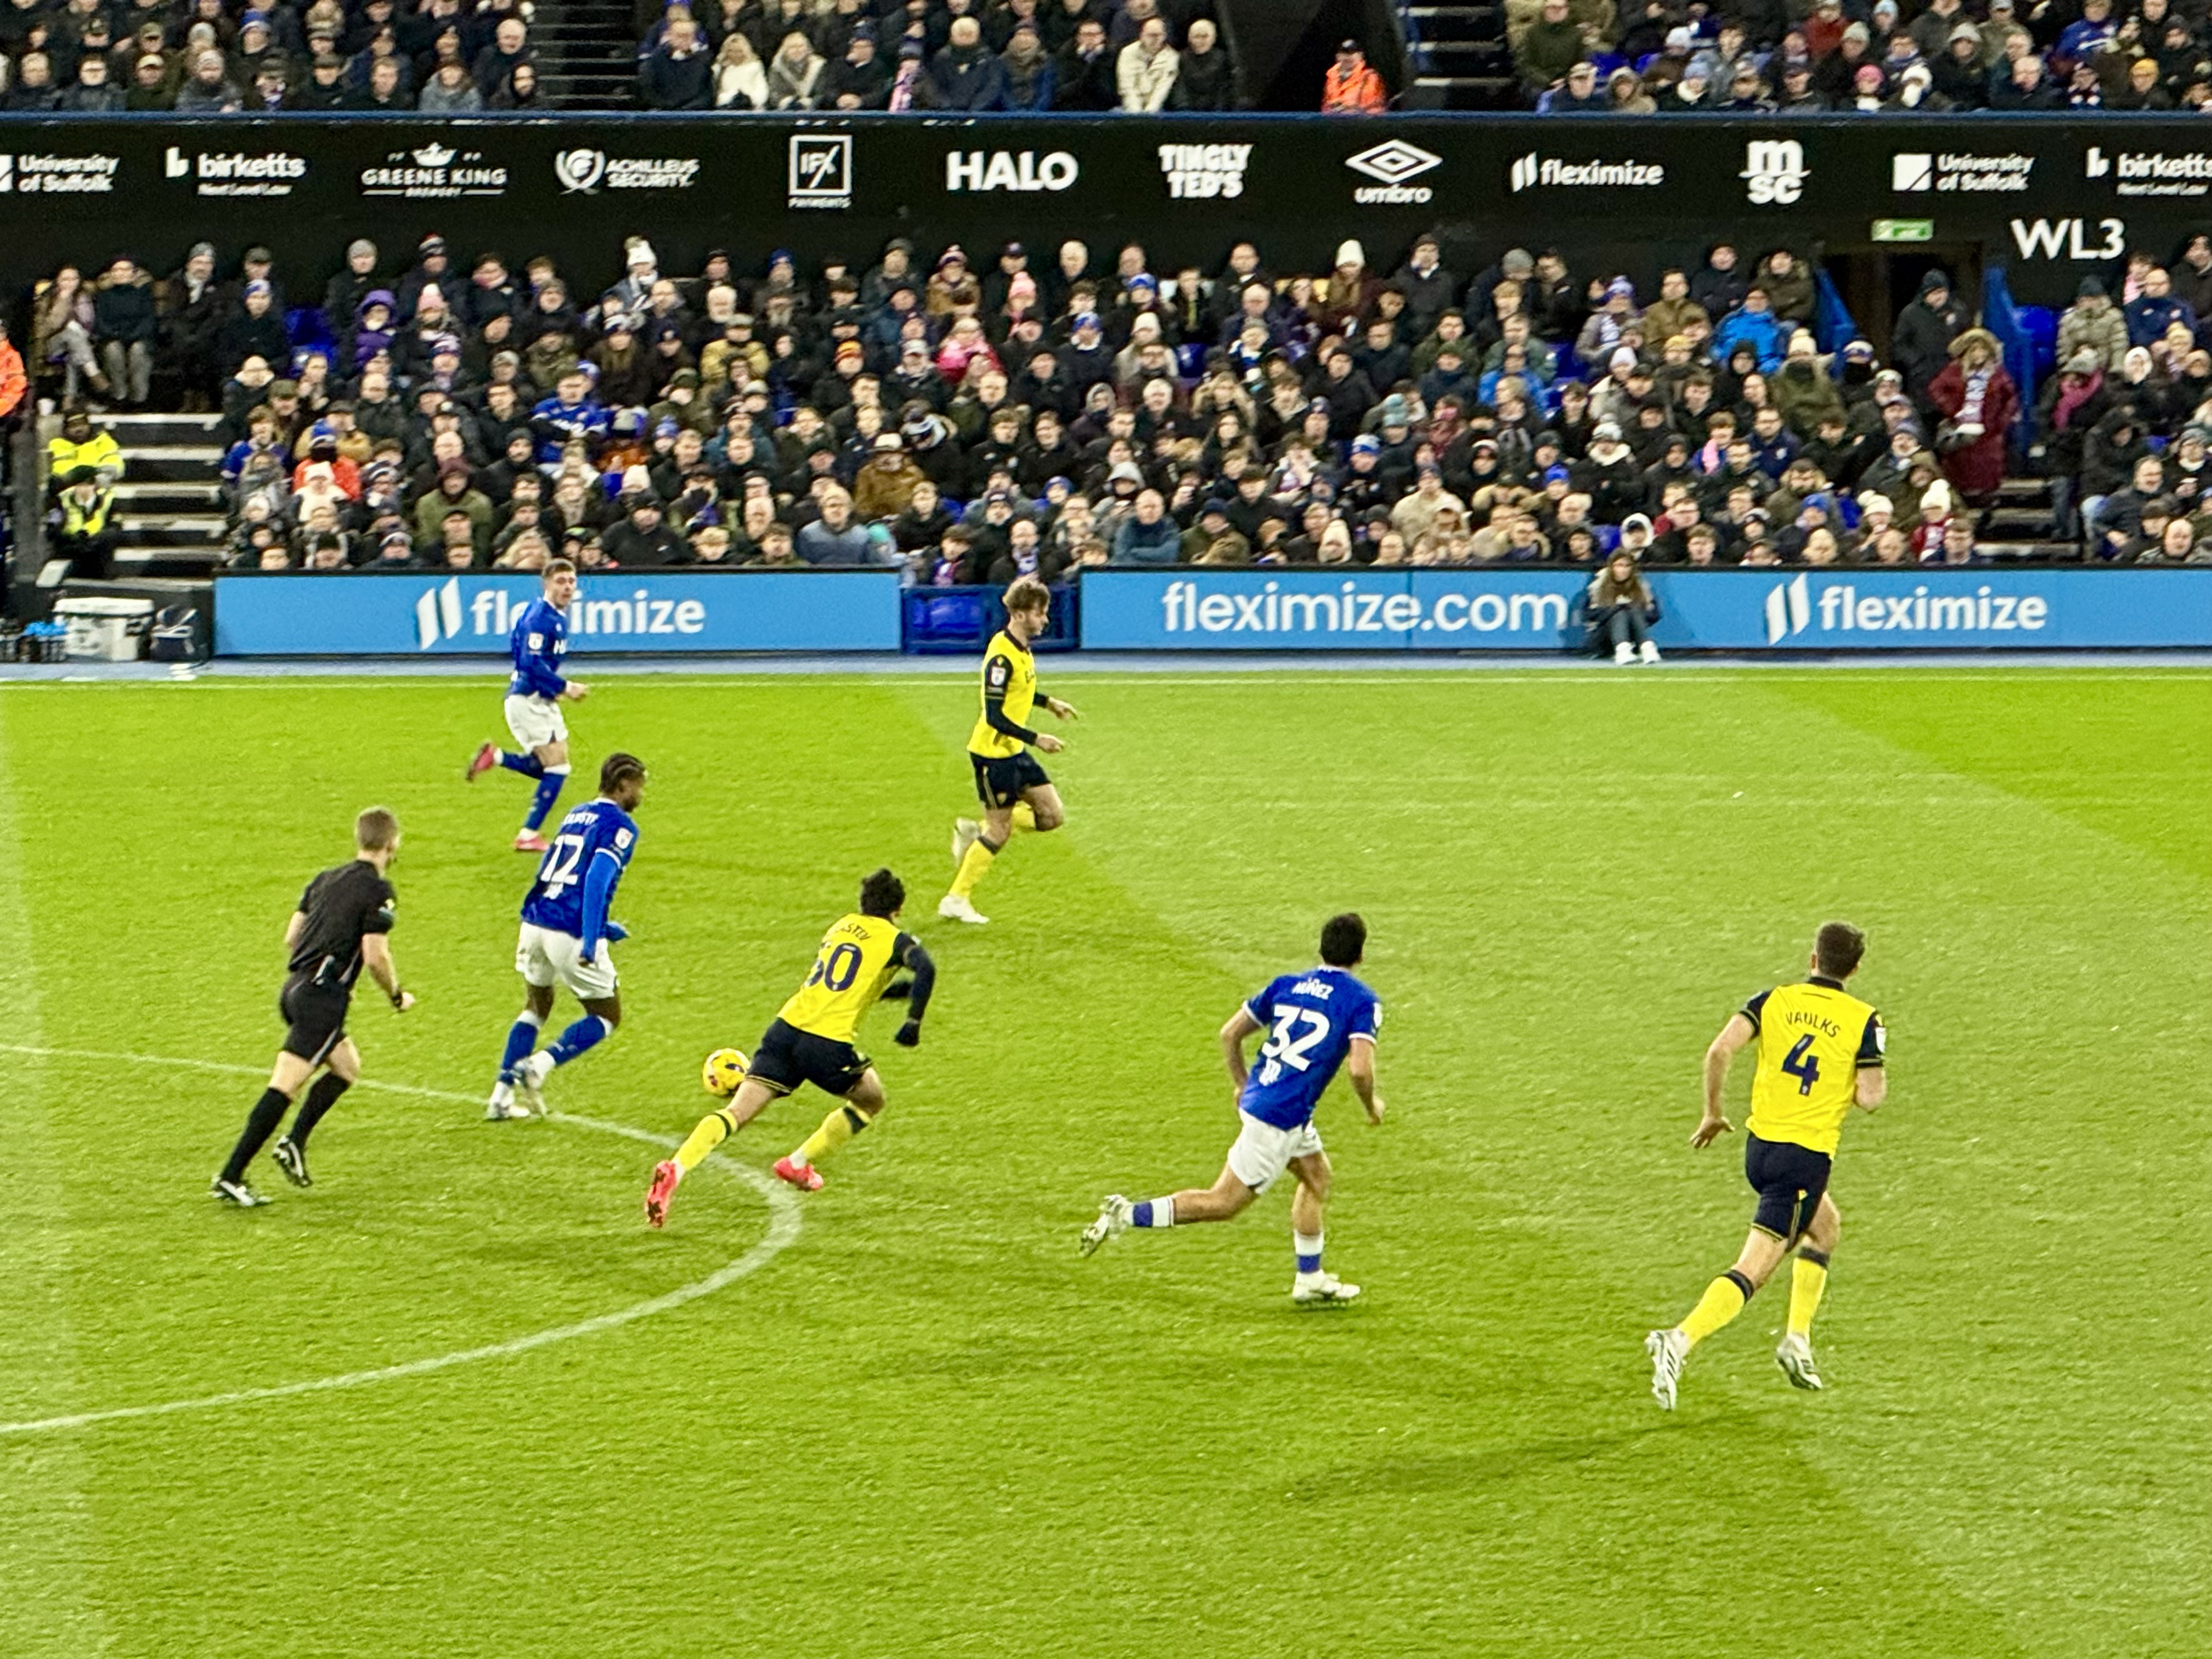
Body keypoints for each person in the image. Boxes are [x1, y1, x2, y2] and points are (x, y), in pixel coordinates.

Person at [1081, 912, 1383, 1303]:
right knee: (1223, 1203)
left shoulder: (1287, 985)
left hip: (1273, 1102)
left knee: (1317, 1177)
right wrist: (1371, 1105)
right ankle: (1124, 1215)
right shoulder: (1362, 1001)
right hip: (1279, 1117)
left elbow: (1231, 1033)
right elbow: (1360, 1071)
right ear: (1360, 955)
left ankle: (1310, 1278)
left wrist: (1242, 1083)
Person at [1646, 922, 1888, 1409]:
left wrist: (1713, 1113)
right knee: (1755, 1270)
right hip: (1804, 1160)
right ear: (1856, 969)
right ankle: (1679, 1339)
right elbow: (1870, 1098)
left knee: (1826, 1229)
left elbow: (1720, 1050)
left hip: (1760, 1149)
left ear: (1813, 958)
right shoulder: (1864, 1020)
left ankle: (1797, 1340)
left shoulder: (1771, 1000)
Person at [646, 867, 936, 1221]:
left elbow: (841, 986)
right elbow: (926, 969)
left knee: (736, 1114)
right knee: (871, 1099)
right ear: (899, 909)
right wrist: (913, 1021)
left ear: (862, 903)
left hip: (785, 1030)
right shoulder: (896, 939)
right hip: (827, 1043)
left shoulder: (841, 927)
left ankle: (676, 1168)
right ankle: (797, 1162)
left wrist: (888, 993)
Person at [211, 808, 414, 1205]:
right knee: (284, 1086)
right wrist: (395, 995)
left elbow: (293, 935)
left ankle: (294, 1142)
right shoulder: (378, 890)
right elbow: (375, 957)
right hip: (322, 1000)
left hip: (295, 989)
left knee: (346, 1067)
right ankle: (231, 1175)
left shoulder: (324, 878)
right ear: (392, 843)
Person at [486, 753, 648, 1121]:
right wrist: (592, 939)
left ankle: (499, 1097)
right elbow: (595, 879)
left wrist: (604, 926)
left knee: (536, 1006)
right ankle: (539, 1065)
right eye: (638, 786)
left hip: (536, 920)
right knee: (607, 1015)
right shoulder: (620, 826)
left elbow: (553, 870)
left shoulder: (576, 814)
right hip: (570, 931)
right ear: (623, 786)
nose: (641, 794)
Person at [940, 576, 1079, 926]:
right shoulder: (1000, 658)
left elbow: (1020, 692)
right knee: (1000, 832)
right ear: (1019, 614)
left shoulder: (1021, 648)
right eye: (1039, 613)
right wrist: (1038, 739)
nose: (1044, 620)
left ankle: (977, 832)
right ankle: (956, 899)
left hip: (1013, 751)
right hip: (993, 754)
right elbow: (995, 714)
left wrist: (1049, 703)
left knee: (1052, 817)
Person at [465, 558, 589, 853]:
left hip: (539, 698)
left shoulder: (552, 614)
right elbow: (531, 662)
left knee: (553, 763)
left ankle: (496, 758)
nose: (567, 587)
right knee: (557, 767)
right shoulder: (540, 618)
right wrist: (565, 687)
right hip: (527, 701)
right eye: (561, 582)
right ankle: (528, 835)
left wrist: (551, 689)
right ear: (546, 584)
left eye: (571, 581)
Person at [1586, 550, 1661, 663]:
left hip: (1634, 634)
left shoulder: (1640, 584)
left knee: (1632, 608)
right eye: (1619, 565)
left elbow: (1654, 614)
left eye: (1627, 566)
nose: (1623, 570)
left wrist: (1634, 612)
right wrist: (1616, 608)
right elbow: (1590, 615)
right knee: (1620, 613)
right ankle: (1623, 650)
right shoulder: (1599, 584)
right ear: (1612, 567)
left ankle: (1647, 647)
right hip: (1603, 637)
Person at [1323, 36, 1386, 110]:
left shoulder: (1369, 77)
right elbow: (1326, 105)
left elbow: (1368, 103)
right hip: (1334, 121)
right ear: (1338, 57)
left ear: (1361, 56)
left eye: (1353, 53)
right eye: (1344, 53)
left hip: (1362, 121)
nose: (1348, 57)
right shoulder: (1331, 78)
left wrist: (1345, 107)